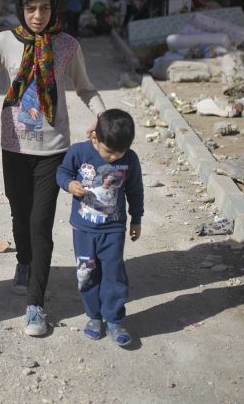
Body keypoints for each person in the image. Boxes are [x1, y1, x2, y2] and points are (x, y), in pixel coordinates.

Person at [0, 0, 105, 338]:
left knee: (41, 223)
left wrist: (103, 116)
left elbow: (85, 88)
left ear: (53, 8)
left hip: (52, 150)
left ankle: (35, 303)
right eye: (30, 8)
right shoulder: (4, 42)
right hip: (13, 146)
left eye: (44, 7)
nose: (38, 15)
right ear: (21, 9)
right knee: (20, 214)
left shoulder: (68, 46)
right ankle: (23, 260)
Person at [56, 109, 143, 347]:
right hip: (83, 230)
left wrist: (137, 218)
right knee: (86, 274)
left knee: (114, 274)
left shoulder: (130, 159)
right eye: (109, 152)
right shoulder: (79, 152)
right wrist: (69, 184)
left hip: (113, 230)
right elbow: (61, 171)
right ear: (95, 138)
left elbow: (135, 191)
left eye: (120, 153)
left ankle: (114, 320)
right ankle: (94, 317)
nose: (114, 158)